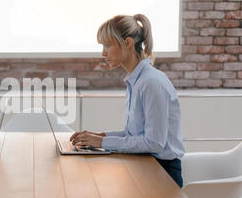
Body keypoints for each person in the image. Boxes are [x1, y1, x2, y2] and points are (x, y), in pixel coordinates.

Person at [70, 14, 185, 187]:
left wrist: (102, 142)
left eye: (107, 45)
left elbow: (154, 143)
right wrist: (99, 136)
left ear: (128, 43)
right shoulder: (137, 80)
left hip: (162, 173)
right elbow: (136, 135)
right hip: (146, 166)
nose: (103, 53)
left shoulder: (151, 83)